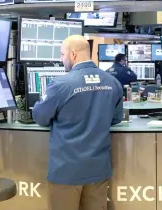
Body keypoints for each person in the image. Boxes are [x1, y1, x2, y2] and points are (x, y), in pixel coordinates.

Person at [32, 35, 124, 210]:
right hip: (98, 169)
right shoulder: (112, 82)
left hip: (67, 170)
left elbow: (40, 117)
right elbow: (116, 118)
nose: (61, 59)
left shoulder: (60, 84)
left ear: (73, 54)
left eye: (62, 54)